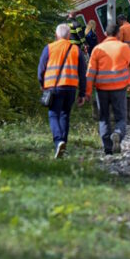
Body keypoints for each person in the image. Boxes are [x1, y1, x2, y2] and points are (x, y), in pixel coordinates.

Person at [38, 24, 87, 158]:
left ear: (56, 35)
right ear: (69, 36)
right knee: (65, 115)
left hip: (53, 88)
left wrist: (42, 84)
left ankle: (59, 141)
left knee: (53, 114)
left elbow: (41, 69)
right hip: (70, 87)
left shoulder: (49, 48)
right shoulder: (76, 50)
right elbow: (82, 74)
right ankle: (63, 145)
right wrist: (82, 93)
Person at [86, 22, 130, 155]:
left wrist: (88, 91)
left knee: (104, 117)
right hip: (119, 87)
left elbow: (90, 72)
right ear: (118, 34)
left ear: (106, 34)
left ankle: (108, 148)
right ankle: (118, 134)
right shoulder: (123, 47)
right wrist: (129, 81)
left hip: (101, 88)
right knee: (121, 117)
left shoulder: (97, 49)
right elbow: (129, 62)